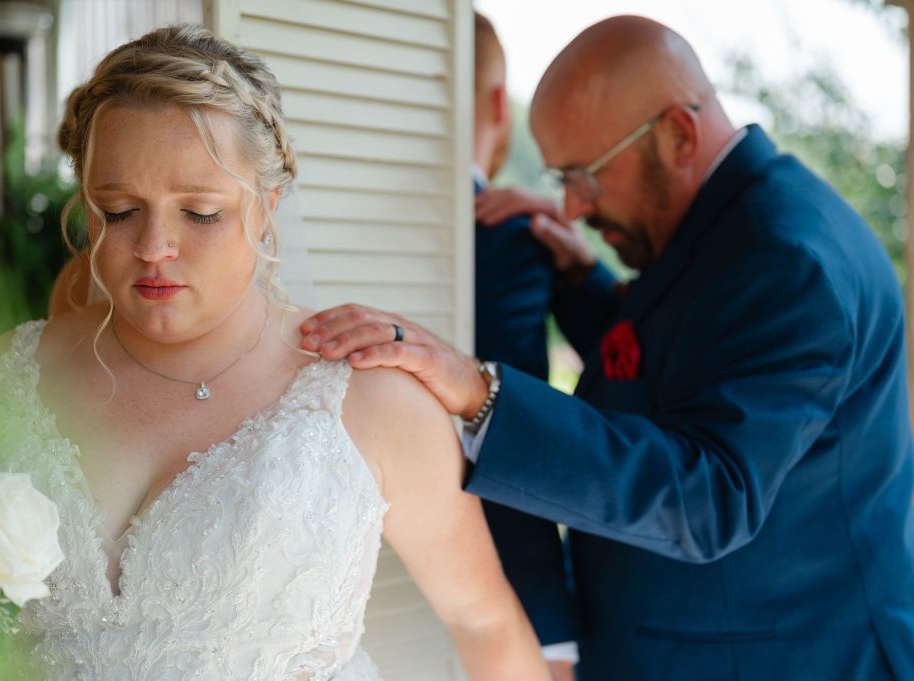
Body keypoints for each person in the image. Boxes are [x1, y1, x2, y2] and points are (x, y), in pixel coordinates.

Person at [301, 15, 914, 680]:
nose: (570, 208)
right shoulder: (738, 226)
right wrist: (582, 280)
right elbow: (689, 367)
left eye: (583, 176)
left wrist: (483, 391)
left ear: (678, 133)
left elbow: (710, 498)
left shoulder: (787, 258)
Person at [0, 25, 550, 680]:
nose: (154, 245)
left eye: (200, 213)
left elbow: (483, 619)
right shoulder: (3, 375)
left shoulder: (371, 398)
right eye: (119, 209)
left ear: (267, 209)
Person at [471, 12, 579, 681]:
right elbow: (521, 426)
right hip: (501, 591)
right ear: (495, 105)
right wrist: (554, 635)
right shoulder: (512, 237)